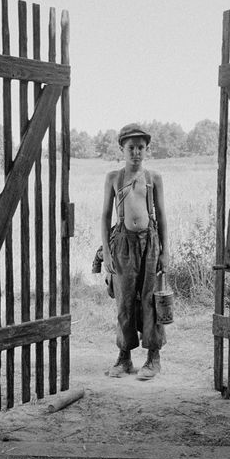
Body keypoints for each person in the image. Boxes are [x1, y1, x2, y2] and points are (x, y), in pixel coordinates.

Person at [100, 124, 170, 380]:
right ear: (122, 148)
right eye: (131, 147)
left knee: (150, 300)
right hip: (122, 245)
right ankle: (124, 357)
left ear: (146, 149)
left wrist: (165, 251)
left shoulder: (153, 179)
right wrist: (106, 254)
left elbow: (161, 216)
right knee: (125, 301)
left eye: (141, 147)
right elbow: (105, 216)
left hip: (150, 243)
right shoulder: (113, 178)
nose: (136, 152)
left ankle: (153, 357)